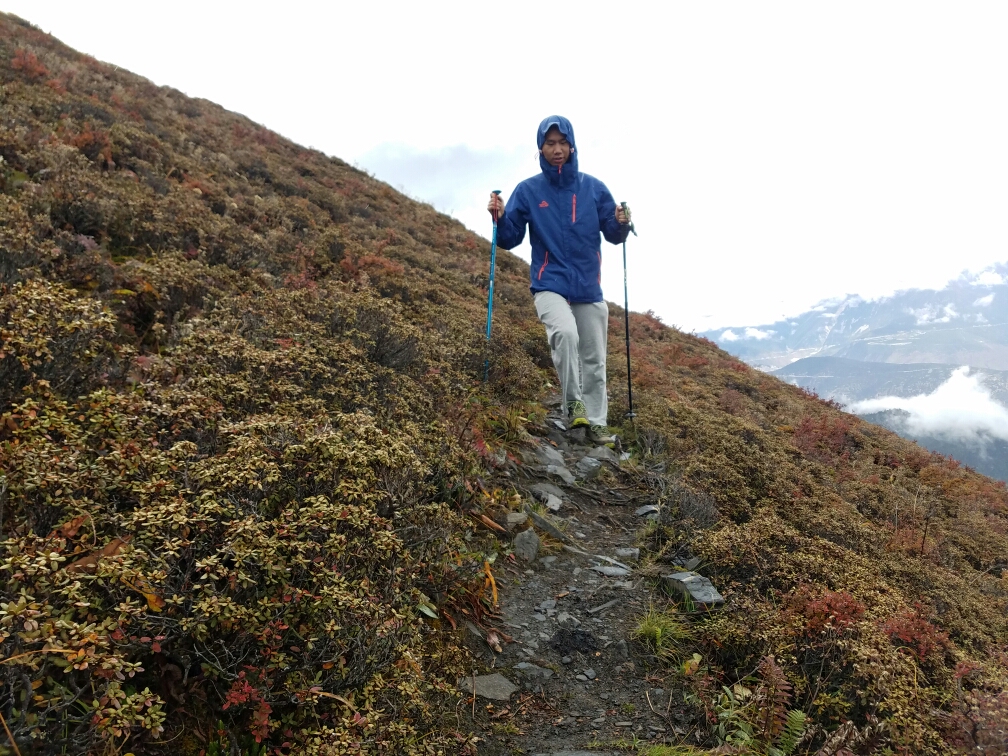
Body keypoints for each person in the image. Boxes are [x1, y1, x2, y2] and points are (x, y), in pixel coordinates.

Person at [488, 115, 631, 445]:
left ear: (572, 146)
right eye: (550, 143)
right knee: (565, 334)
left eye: (562, 143)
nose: (557, 149)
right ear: (540, 147)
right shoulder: (528, 190)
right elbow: (509, 238)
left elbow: (613, 233)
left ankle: (596, 423)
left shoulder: (593, 188)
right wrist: (499, 217)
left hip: (587, 285)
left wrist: (621, 221)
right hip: (548, 281)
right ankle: (574, 405)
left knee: (594, 358)